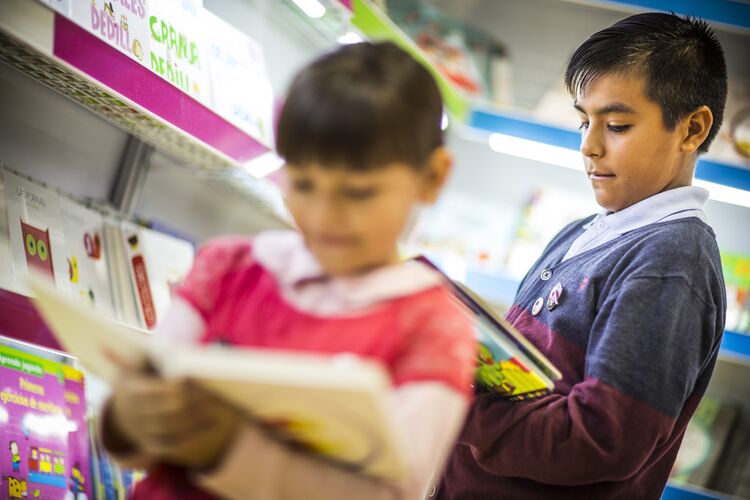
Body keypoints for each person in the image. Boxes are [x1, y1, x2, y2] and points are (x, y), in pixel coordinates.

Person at [100, 41, 477, 500]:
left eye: (358, 193)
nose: (323, 215)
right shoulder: (228, 269)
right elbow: (128, 435)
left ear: (433, 177)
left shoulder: (433, 328)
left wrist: (225, 449)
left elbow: (390, 493)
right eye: (302, 185)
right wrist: (127, 419)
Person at [437, 12, 727, 499]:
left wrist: (454, 405)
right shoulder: (580, 233)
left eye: (616, 124)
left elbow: (600, 440)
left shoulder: (672, 262)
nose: (588, 146)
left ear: (692, 129)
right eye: (583, 120)